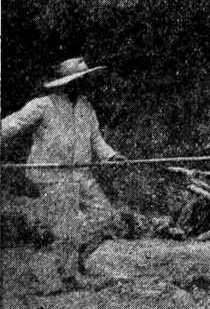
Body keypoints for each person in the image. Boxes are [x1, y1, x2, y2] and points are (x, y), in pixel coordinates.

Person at [1, 57, 126, 291]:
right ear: (66, 82)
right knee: (66, 228)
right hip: (53, 176)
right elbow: (11, 125)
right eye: (80, 79)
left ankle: (71, 264)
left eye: (85, 79)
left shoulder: (85, 105)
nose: (84, 83)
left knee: (106, 218)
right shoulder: (43, 105)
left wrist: (111, 156)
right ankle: (69, 276)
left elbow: (95, 139)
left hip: (81, 174)